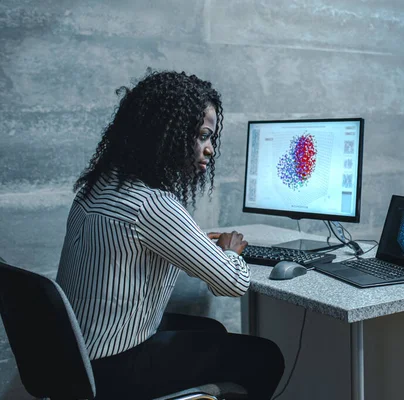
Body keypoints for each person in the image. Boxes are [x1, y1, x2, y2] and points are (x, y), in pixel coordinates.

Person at [56, 70, 284, 399]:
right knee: (264, 357)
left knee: (210, 331)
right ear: (169, 134)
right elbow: (232, 283)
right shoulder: (153, 204)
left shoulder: (99, 188)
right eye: (204, 136)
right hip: (114, 369)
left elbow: (133, 243)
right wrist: (231, 249)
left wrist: (194, 243)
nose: (210, 150)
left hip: (74, 359)